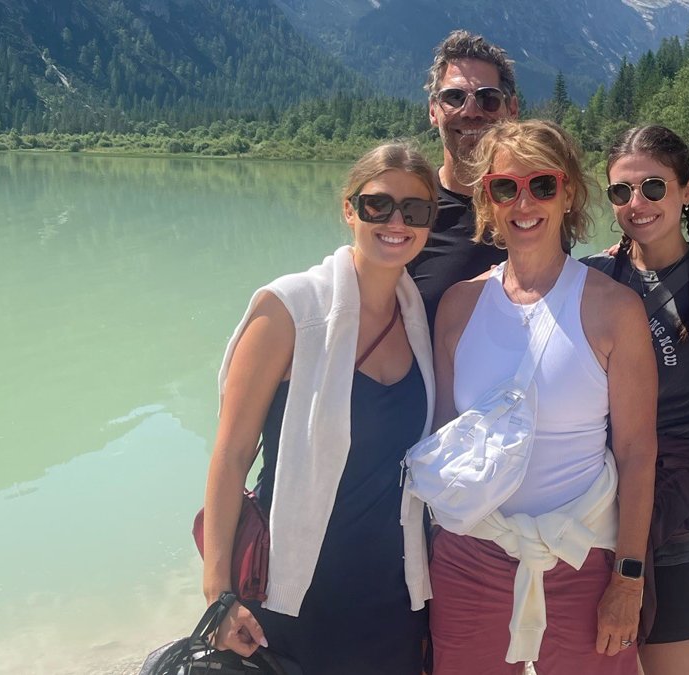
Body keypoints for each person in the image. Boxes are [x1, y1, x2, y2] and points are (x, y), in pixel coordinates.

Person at [428, 119, 657, 674]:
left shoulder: (614, 309)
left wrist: (628, 578)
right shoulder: (458, 307)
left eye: (542, 185)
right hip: (470, 555)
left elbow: (637, 452)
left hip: (580, 553)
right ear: (487, 198)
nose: (523, 201)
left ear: (569, 193)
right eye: (505, 186)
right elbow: (441, 441)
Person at [201, 144, 438, 674]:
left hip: (393, 596)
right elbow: (232, 453)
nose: (396, 221)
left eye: (415, 210)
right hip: (292, 591)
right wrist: (218, 593)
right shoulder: (289, 309)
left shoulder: (416, 316)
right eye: (377, 205)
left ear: (428, 224)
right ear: (349, 209)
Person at [581, 125, 689, 675]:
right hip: (586, 504)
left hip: (676, 510)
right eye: (621, 192)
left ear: (688, 191)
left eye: (654, 188)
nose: (637, 203)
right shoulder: (588, 280)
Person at [408, 30, 519, 327]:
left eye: (488, 99)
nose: (470, 112)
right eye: (454, 97)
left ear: (512, 109)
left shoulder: (543, 200)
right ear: (433, 111)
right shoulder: (407, 212)